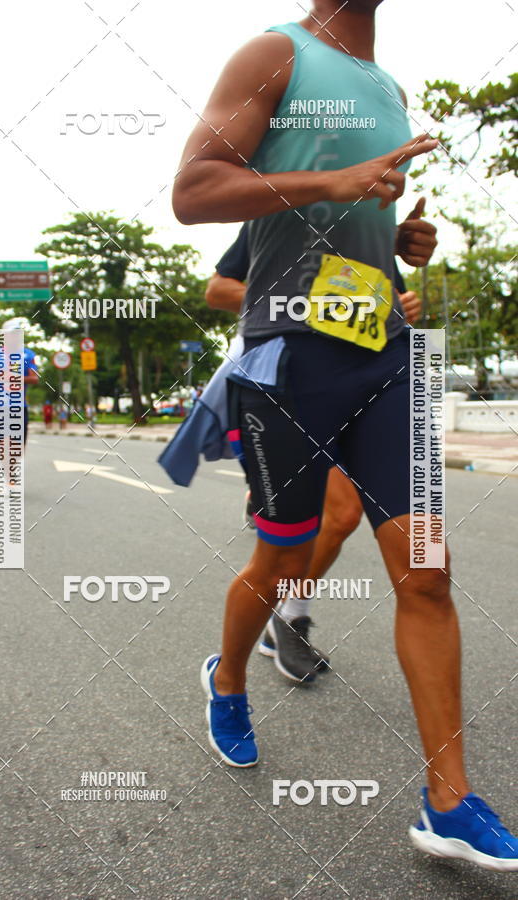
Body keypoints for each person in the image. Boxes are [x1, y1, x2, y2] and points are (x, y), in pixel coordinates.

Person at [172, 0, 518, 871]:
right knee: (283, 557)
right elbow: (193, 191)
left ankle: (449, 801)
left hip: (387, 358)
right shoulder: (274, 53)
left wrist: (399, 242)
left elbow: (357, 230)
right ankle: (227, 677)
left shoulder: (388, 87)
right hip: (292, 360)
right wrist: (334, 182)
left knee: (428, 568)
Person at [207, 225, 424, 682]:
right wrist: (306, 307)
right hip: (297, 383)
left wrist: (402, 307)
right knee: (336, 518)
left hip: (375, 383)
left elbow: (390, 304)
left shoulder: (373, 225)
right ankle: (271, 632)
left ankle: (287, 614)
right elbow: (218, 289)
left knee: (418, 558)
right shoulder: (280, 208)